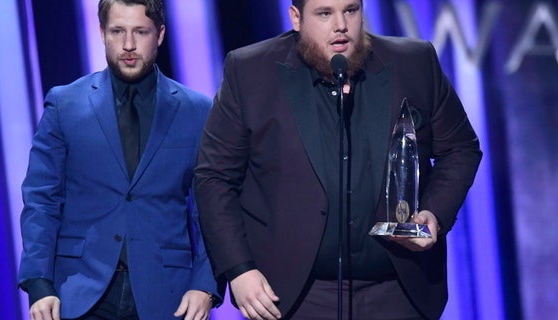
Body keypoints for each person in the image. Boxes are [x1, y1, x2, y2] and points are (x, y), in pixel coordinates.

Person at [194, 0, 482, 319]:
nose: (341, 25)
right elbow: (214, 177)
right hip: (294, 296)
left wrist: (435, 214)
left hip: (397, 291)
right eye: (324, 13)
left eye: (350, 10)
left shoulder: (414, 63)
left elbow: (460, 148)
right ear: (296, 18)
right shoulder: (250, 72)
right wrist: (239, 269)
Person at [18, 1, 221, 319]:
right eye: (117, 31)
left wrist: (205, 284)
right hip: (79, 290)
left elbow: (212, 210)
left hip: (168, 295)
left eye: (140, 32)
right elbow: (42, 201)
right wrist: (39, 283)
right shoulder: (65, 104)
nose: (128, 45)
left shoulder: (197, 111)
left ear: (160, 35)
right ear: (101, 33)